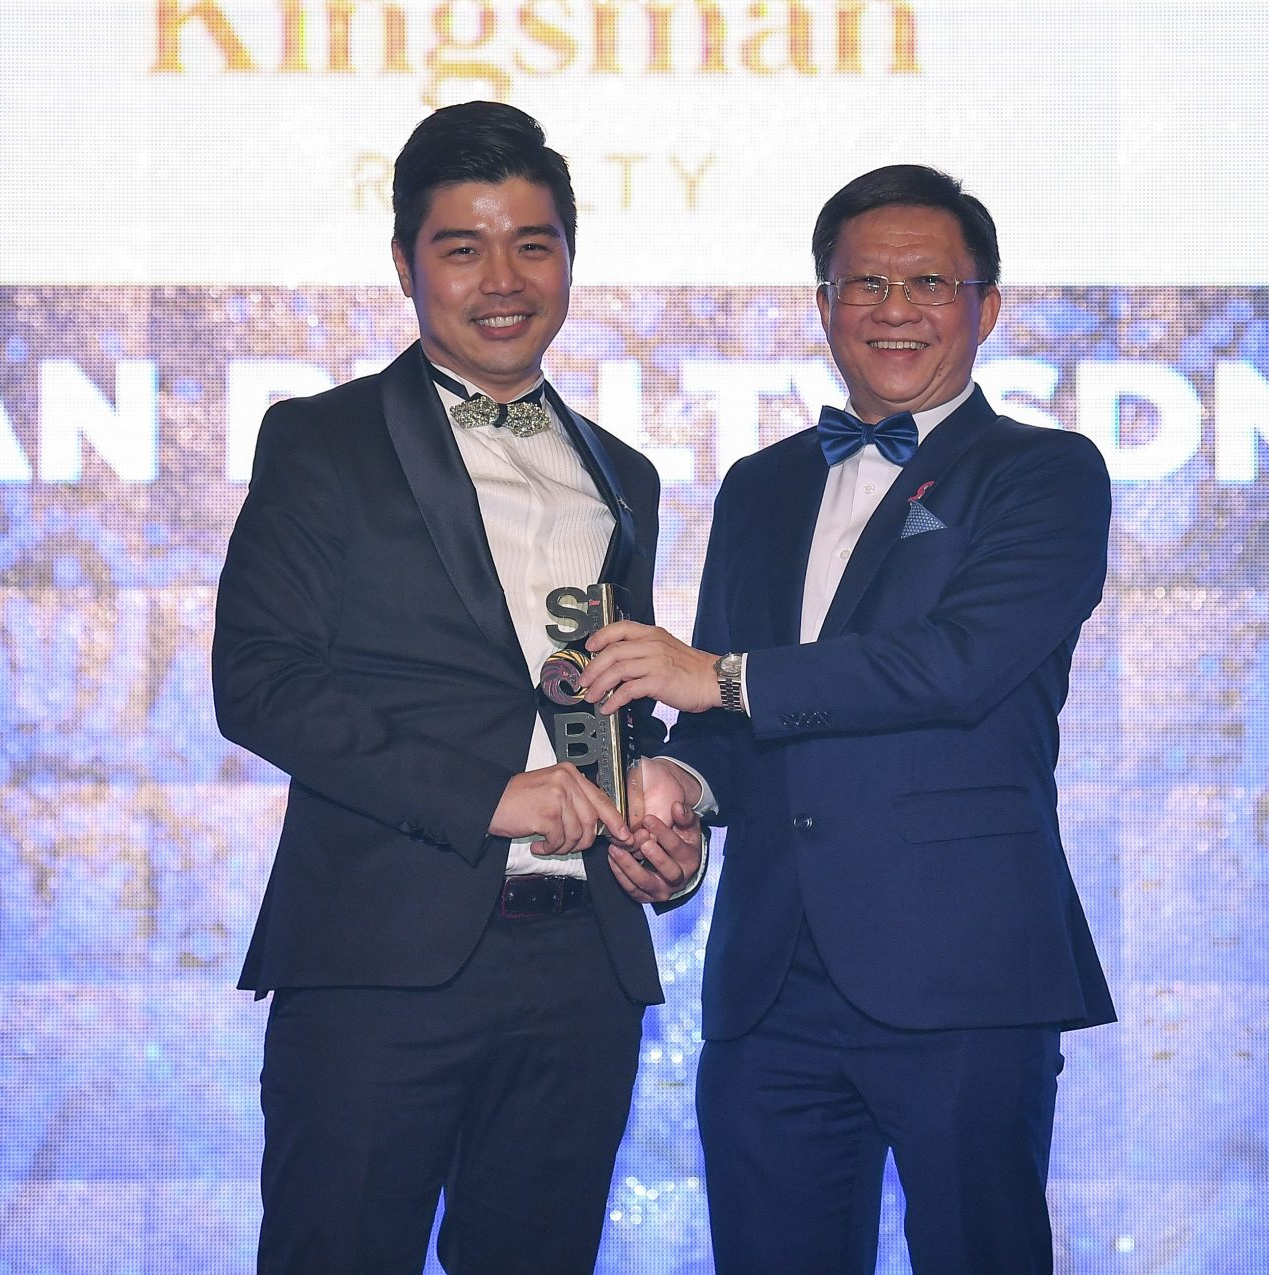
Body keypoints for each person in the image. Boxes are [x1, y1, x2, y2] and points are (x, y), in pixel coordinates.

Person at [577, 162, 1115, 1275]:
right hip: (772, 979)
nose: (894, 308)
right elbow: (725, 717)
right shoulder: (760, 485)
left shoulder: (1046, 473)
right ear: (824, 305)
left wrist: (716, 680)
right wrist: (680, 789)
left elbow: (955, 666)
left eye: (929, 282)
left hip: (963, 971)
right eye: (865, 283)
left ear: (986, 307)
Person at [212, 101, 706, 1275]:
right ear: (404, 263)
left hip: (579, 967)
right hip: (380, 959)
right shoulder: (322, 440)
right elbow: (260, 680)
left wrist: (665, 823)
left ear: (570, 259)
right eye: (462, 247)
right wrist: (490, 795)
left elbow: (605, 700)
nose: (502, 279)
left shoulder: (621, 473)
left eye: (533, 244)